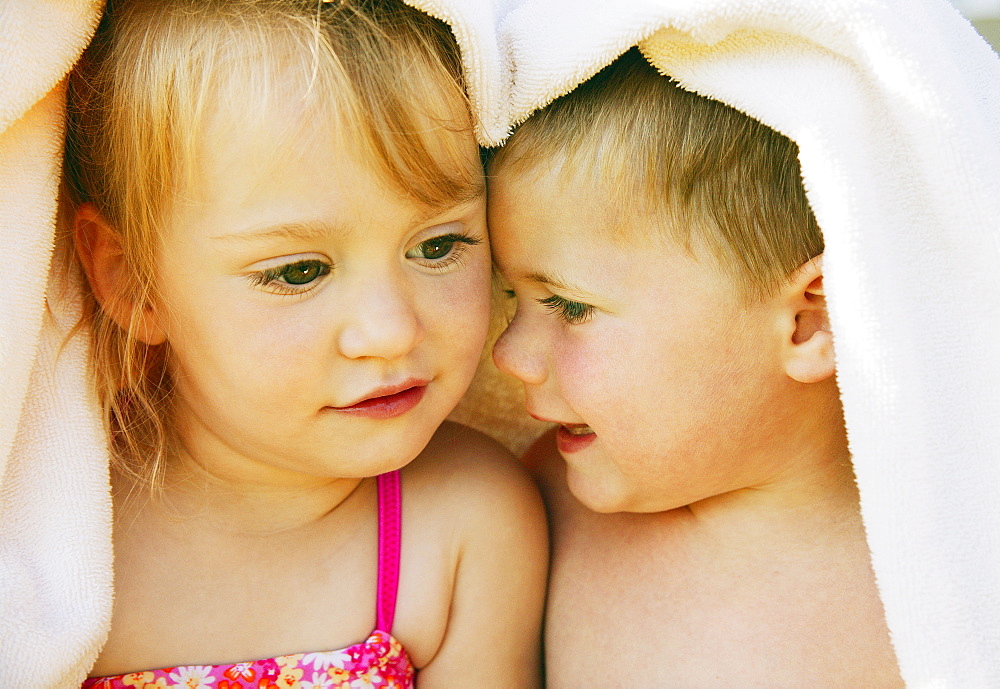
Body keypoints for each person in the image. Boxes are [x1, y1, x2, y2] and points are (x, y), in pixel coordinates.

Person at [63, 0, 547, 686]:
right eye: (298, 271)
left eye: (438, 245)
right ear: (136, 281)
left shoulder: (464, 527)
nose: (390, 330)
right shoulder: (60, 533)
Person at [488, 47, 903, 686]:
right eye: (512, 298)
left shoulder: (936, 576)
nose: (507, 355)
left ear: (807, 321)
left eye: (570, 306)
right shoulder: (534, 504)